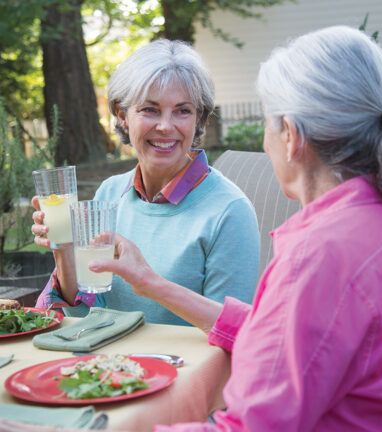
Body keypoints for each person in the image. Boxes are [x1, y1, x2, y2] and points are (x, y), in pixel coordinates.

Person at [0, 26, 382, 431]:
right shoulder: (371, 222)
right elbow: (281, 337)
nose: (167, 125)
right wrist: (139, 277)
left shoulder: (325, 251)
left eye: (267, 123)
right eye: (149, 109)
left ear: (293, 136)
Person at [32, 40, 260, 326]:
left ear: (199, 118)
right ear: (121, 115)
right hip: (109, 366)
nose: (165, 126)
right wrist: (63, 250)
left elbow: (232, 332)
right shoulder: (110, 193)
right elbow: (85, 315)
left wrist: (149, 282)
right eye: (150, 110)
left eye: (183, 111)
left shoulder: (229, 211)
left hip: (185, 368)